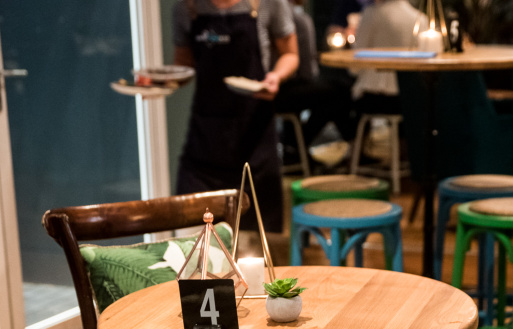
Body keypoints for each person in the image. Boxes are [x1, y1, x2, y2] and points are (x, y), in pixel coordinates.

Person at [172, 0, 299, 234]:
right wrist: (162, 82)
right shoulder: (188, 7)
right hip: (205, 141)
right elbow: (183, 63)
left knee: (255, 242)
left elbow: (290, 54)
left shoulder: (267, 4)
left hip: (254, 138)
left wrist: (276, 77)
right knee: (192, 237)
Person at [275, 0, 355, 156]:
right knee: (339, 93)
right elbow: (307, 71)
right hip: (283, 87)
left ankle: (296, 146)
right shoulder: (297, 18)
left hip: (281, 84)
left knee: (336, 91)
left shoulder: (290, 14)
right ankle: (298, 146)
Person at [349, 0, 425, 115]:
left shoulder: (372, 14)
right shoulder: (421, 19)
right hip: (410, 96)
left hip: (373, 94)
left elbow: (354, 67)